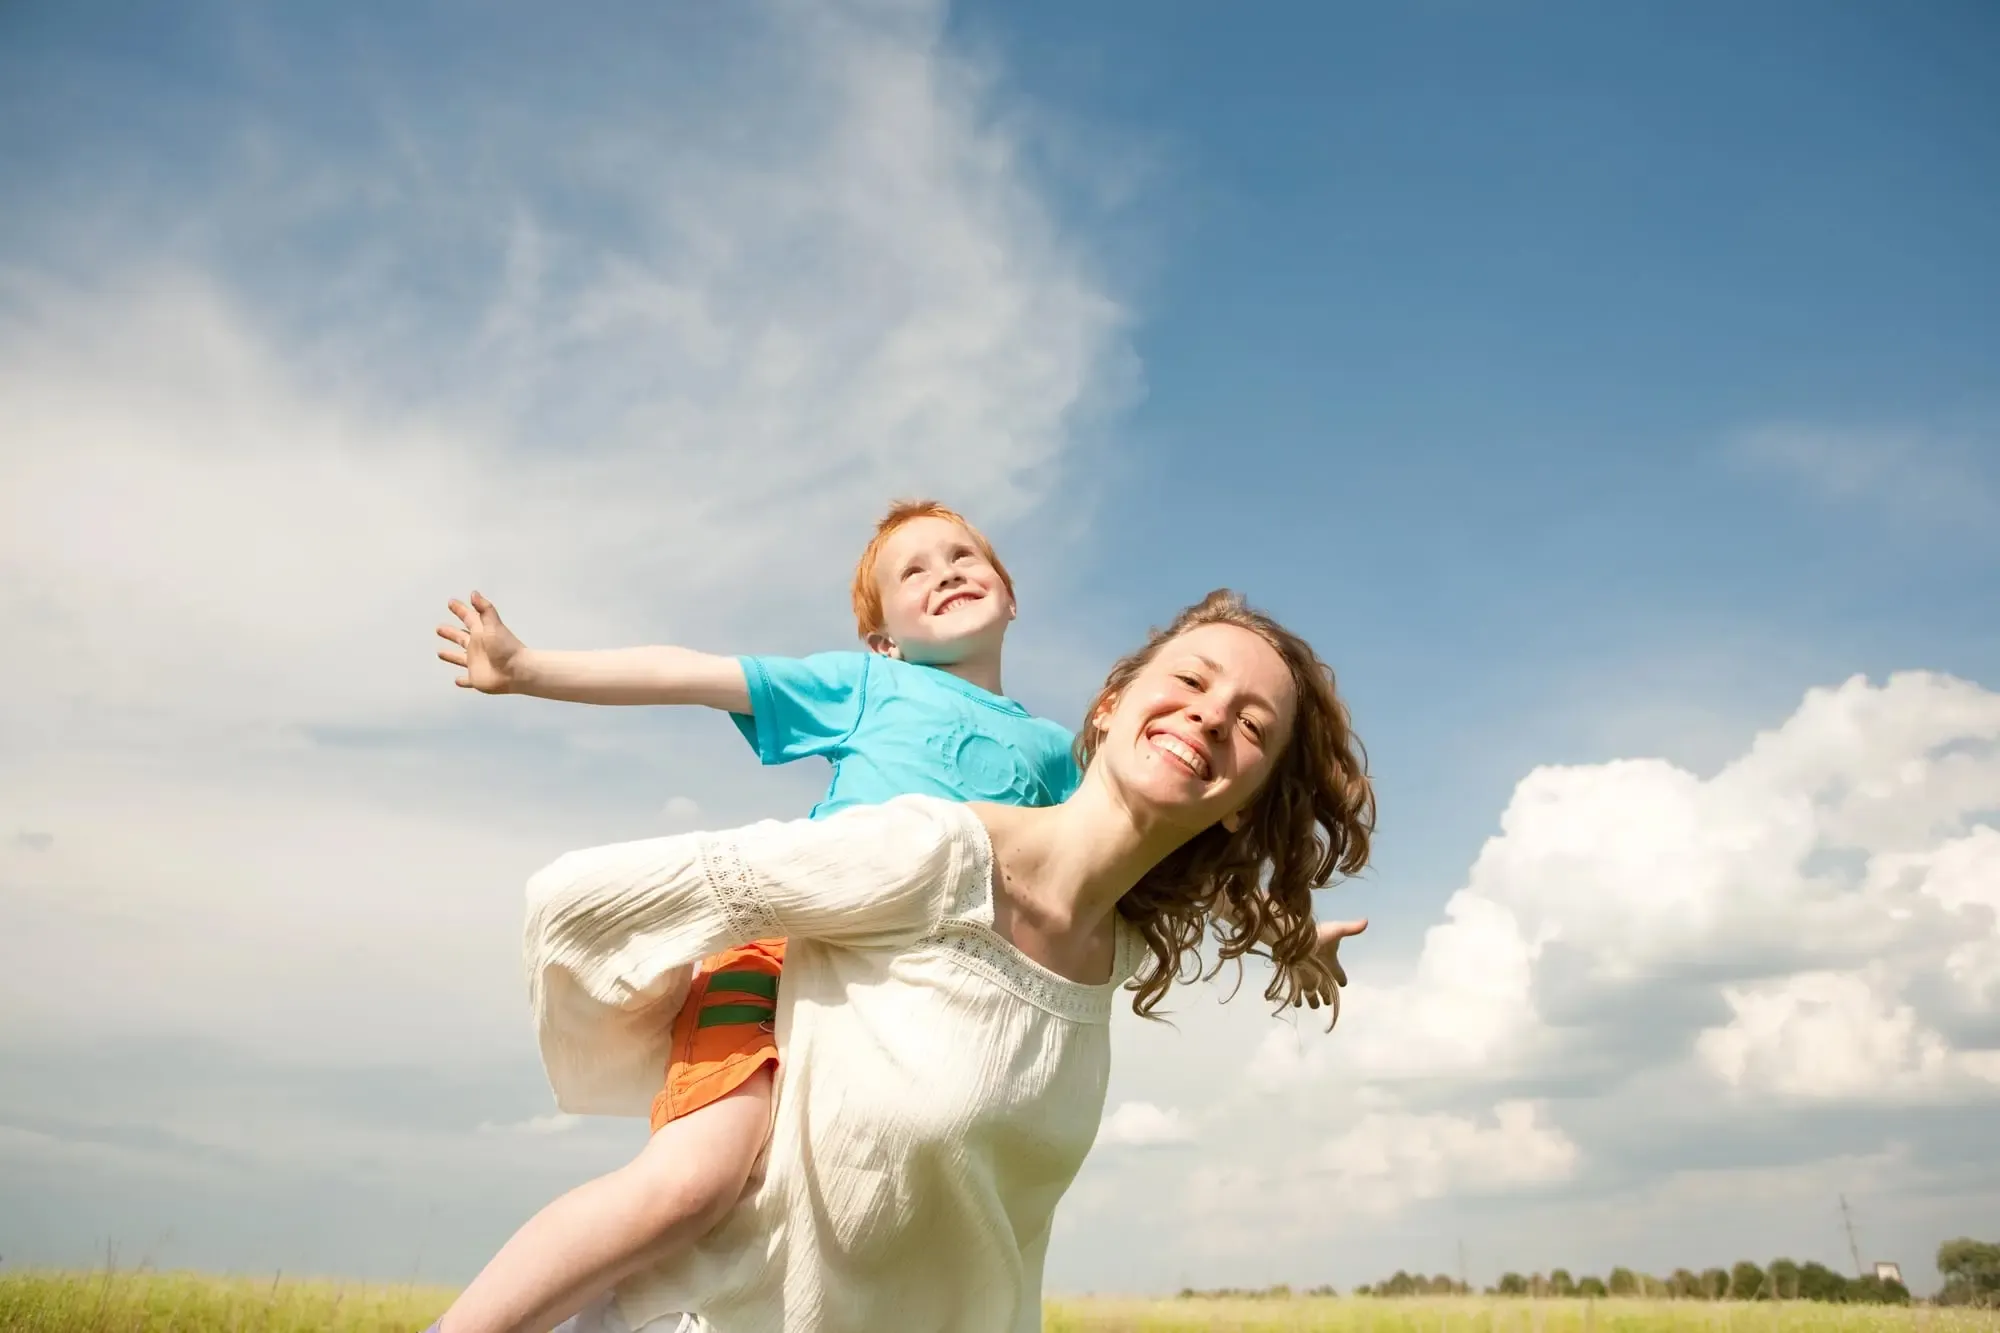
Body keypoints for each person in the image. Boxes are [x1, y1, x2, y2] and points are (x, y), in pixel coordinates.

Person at [515, 589, 1375, 1332]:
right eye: (1190, 679)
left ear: (1244, 805)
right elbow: (587, 904)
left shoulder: (1119, 945)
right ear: (1111, 703)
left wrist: (1291, 941)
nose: (1213, 713)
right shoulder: (930, 848)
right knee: (689, 1183)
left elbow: (1194, 898)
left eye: (1252, 723)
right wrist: (734, 1024)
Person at [434, 501, 1158, 1333]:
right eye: (912, 571)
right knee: (692, 1184)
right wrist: (527, 667)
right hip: (778, 958)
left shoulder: (1054, 754)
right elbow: (693, 674)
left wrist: (1281, 939)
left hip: (902, 1010)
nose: (946, 571)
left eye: (963, 555)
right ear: (884, 638)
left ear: (1011, 595)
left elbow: (1132, 865)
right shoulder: (870, 687)